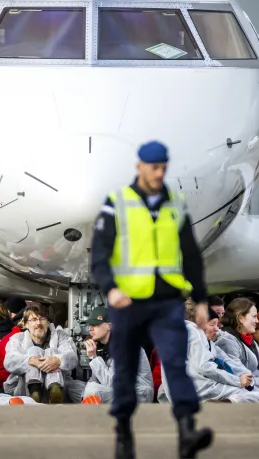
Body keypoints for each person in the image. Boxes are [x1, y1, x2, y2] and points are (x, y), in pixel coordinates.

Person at [91, 140, 213, 459]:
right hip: (128, 302)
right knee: (126, 368)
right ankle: (123, 433)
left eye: (163, 167)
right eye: (153, 167)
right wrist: (111, 289)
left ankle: (187, 430)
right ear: (139, 166)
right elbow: (100, 256)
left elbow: (191, 255)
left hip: (167, 301)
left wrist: (200, 300)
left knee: (176, 362)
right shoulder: (117, 203)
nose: (159, 174)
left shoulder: (176, 204)